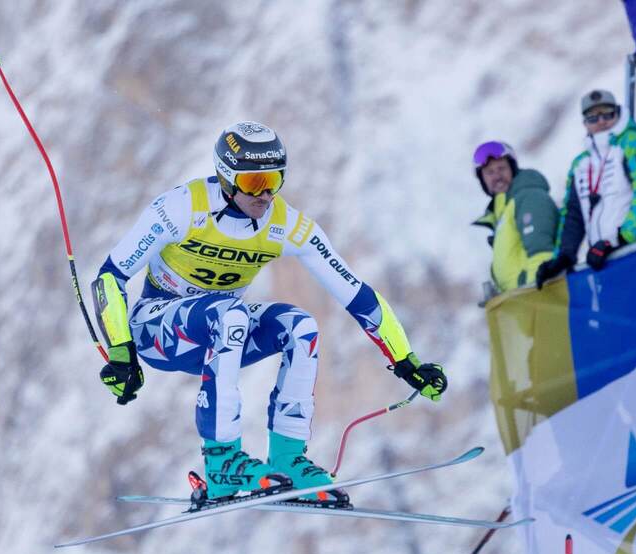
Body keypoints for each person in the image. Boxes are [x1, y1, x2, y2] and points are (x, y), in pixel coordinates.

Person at [92, 122, 447, 502]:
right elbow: (110, 277)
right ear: (227, 178)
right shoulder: (182, 207)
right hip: (156, 330)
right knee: (230, 313)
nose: (265, 194)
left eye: (274, 180)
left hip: (221, 335)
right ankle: (222, 461)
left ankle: (287, 459)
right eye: (254, 182)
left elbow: (356, 294)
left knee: (300, 326)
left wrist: (405, 359)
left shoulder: (285, 224)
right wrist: (121, 351)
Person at [536, 90, 636, 285]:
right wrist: (563, 256)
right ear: (585, 123)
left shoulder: (633, 143)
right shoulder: (580, 163)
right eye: (593, 117)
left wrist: (619, 240)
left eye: (607, 114)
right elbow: (573, 215)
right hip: (603, 262)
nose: (601, 121)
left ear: (618, 113)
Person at [471, 140, 560, 293]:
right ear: (482, 180)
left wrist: (534, 296)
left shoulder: (529, 198)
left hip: (535, 298)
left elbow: (542, 255)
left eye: (501, 168)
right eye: (489, 172)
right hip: (519, 300)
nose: (497, 176)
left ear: (512, 168)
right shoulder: (504, 208)